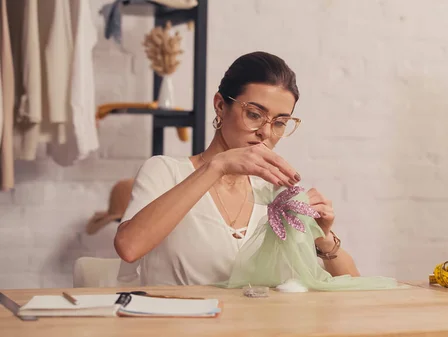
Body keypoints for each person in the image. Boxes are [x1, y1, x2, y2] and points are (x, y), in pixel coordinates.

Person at [114, 51, 360, 286]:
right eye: (254, 114)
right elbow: (129, 247)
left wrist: (323, 238)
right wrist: (218, 165)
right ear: (220, 106)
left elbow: (358, 289)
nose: (266, 131)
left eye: (280, 122)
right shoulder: (166, 171)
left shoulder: (276, 194)